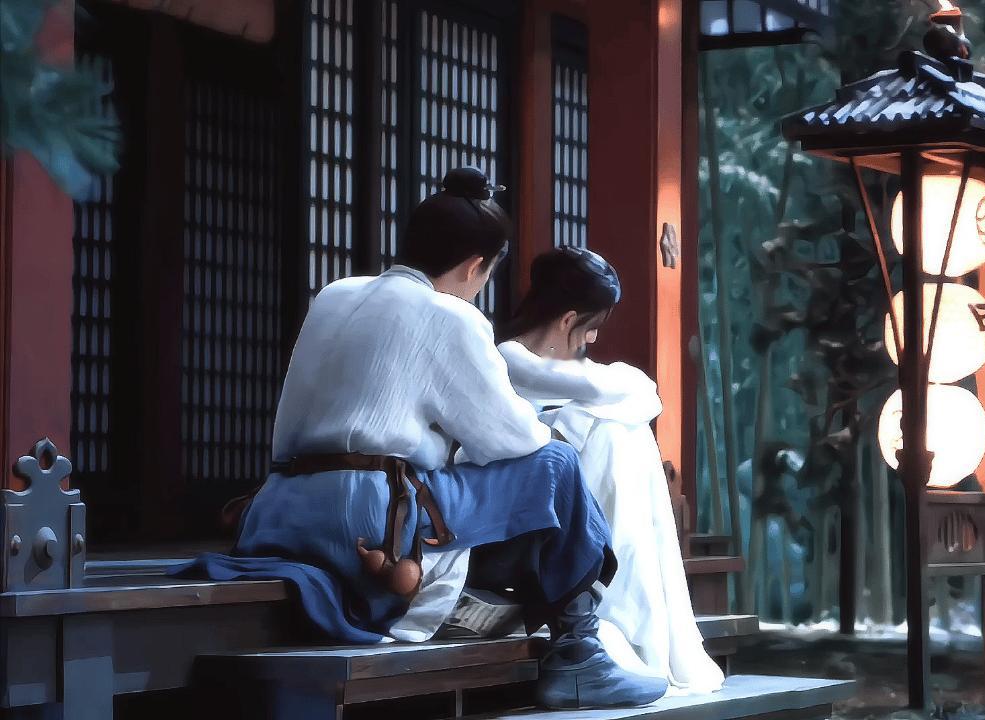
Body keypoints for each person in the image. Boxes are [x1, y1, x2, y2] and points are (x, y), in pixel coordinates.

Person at [174, 168, 668, 710]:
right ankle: (578, 654)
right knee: (557, 463)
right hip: (368, 515)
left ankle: (533, 625)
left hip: (280, 509)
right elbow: (511, 440)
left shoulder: (334, 295)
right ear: (476, 265)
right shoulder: (450, 315)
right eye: (487, 273)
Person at [497, 246, 726, 693]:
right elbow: (621, 392)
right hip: (530, 495)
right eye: (592, 326)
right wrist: (586, 416)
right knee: (611, 432)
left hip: (575, 489)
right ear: (568, 319)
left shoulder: (567, 369)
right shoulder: (510, 356)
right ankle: (615, 616)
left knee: (622, 433)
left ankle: (628, 618)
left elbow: (645, 395)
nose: (594, 338)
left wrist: (580, 417)